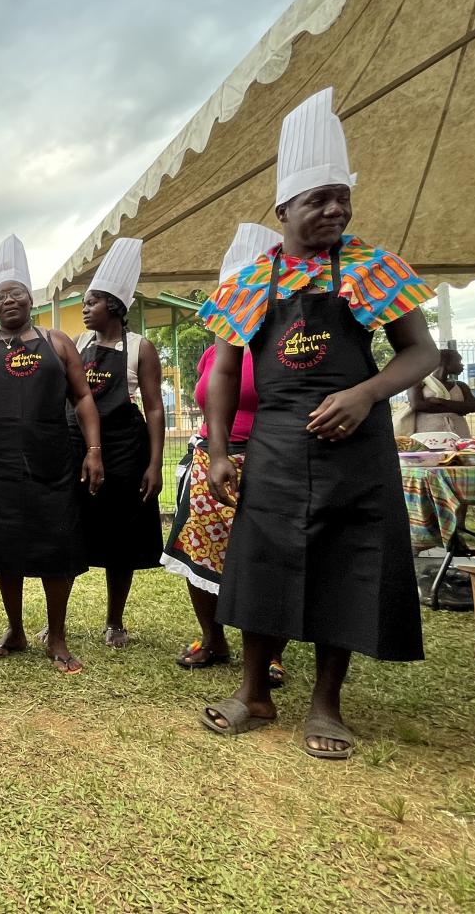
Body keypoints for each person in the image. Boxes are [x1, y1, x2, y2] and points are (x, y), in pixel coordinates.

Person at [198, 88, 438, 760]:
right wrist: (219, 450)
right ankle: (253, 693)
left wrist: (366, 393)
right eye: (318, 199)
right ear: (284, 210)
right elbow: (221, 372)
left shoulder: (371, 266)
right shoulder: (249, 281)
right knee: (260, 563)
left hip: (355, 450)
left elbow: (421, 352)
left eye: (342, 197)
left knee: (348, 565)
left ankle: (326, 704)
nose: (335, 209)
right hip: (273, 446)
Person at [0, 234, 103, 675]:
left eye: (17, 293)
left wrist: (94, 449)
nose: (9, 301)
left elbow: (82, 398)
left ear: (30, 299)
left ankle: (57, 635)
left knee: (55, 546)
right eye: (1, 295)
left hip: (52, 461)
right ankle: (15, 629)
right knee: (6, 548)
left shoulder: (57, 342)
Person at [162, 224, 290, 682]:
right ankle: (213, 639)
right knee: (204, 553)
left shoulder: (285, 340)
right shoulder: (218, 347)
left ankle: (271, 651)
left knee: (272, 558)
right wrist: (214, 452)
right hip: (213, 457)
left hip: (271, 457)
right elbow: (210, 395)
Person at [69, 237, 164, 647]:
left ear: (114, 306)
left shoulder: (140, 348)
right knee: (70, 532)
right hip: (78, 448)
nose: (86, 309)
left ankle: (115, 621)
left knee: (121, 537)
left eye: (92, 302)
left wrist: (155, 465)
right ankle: (59, 620)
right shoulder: (77, 344)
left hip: (126, 450)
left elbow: (156, 409)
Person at [406, 348, 475, 437]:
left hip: (459, 432)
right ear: (445, 362)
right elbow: (417, 405)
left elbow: (473, 407)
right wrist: (459, 408)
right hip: (428, 434)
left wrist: (441, 401)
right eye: (458, 361)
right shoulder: (419, 382)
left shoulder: (461, 386)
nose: (462, 365)